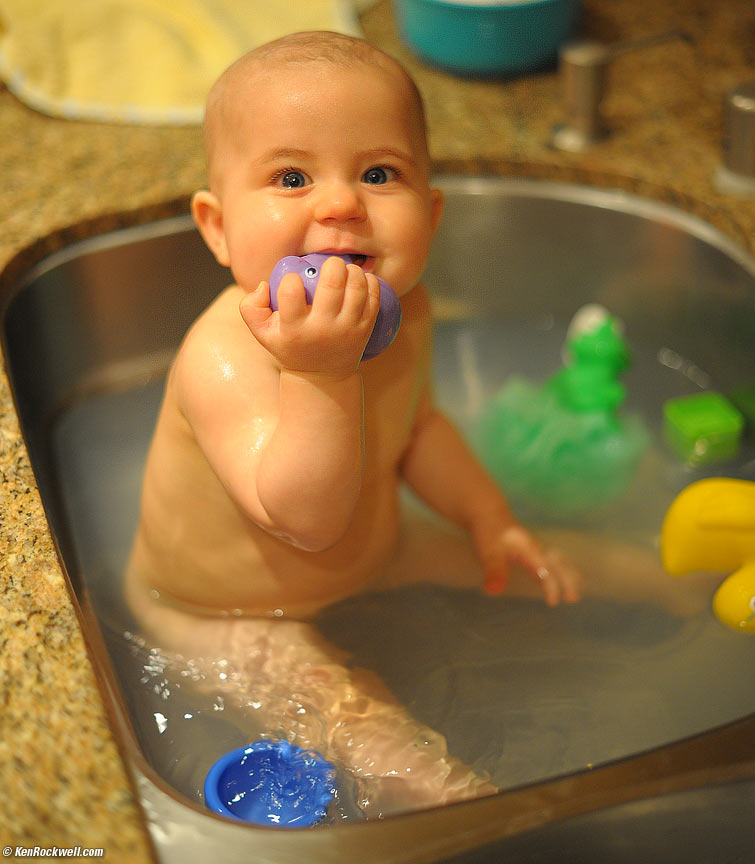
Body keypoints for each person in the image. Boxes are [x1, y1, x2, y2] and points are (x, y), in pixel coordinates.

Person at [125, 29, 585, 818]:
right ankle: (483, 821)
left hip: (381, 553)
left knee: (559, 562)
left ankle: (668, 588)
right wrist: (320, 374)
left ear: (431, 215)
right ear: (218, 227)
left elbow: (420, 430)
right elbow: (307, 520)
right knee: (373, 731)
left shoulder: (408, 314)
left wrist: (489, 517)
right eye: (292, 176)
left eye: (378, 173)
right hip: (223, 616)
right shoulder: (223, 360)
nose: (340, 204)